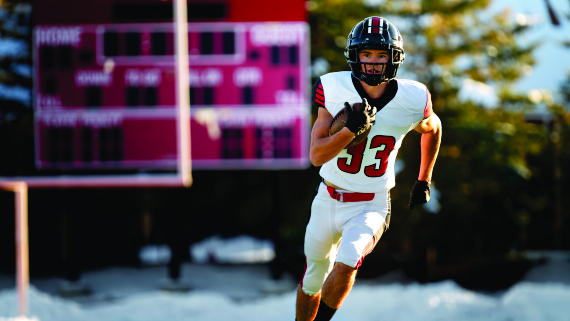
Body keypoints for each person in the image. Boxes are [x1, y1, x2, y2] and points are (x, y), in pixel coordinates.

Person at [296, 16, 442, 321]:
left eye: (381, 55)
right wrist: (350, 131)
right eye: (367, 54)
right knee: (312, 280)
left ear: (394, 58)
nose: (374, 63)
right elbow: (316, 155)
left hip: (371, 203)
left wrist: (424, 179)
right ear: (355, 56)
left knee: (348, 260)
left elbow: (433, 128)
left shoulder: (413, 99)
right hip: (328, 197)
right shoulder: (332, 88)